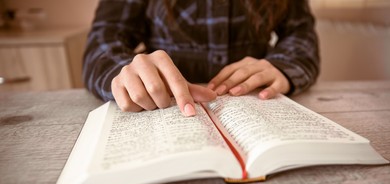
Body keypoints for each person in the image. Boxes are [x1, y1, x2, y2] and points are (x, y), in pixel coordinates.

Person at [83, 0, 319, 117]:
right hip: (163, 111)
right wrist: (125, 74)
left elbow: (301, 34)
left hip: (260, 106)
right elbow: (103, 40)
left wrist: (281, 66)